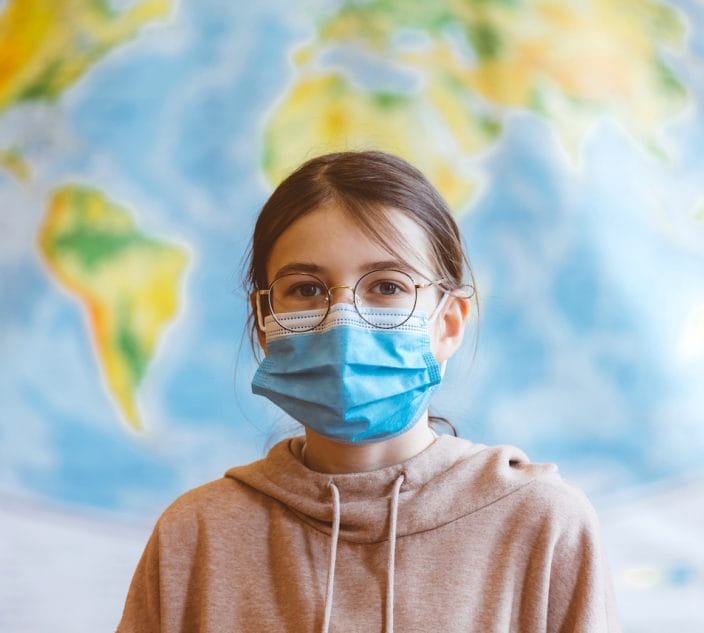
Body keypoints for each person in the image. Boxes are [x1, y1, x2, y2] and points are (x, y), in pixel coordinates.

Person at [117, 151, 619, 632]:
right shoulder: (194, 535)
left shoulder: (544, 525)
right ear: (265, 323)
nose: (344, 321)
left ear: (448, 323)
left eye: (387, 286)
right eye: (307, 289)